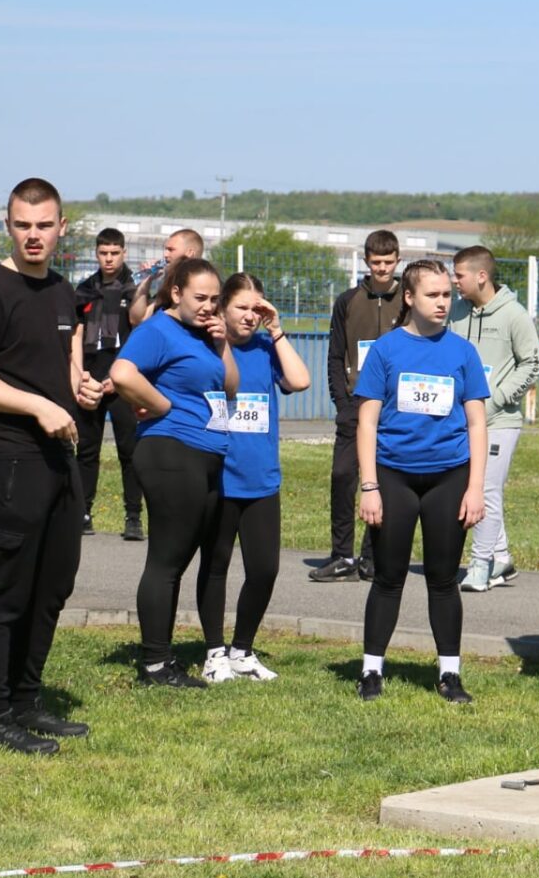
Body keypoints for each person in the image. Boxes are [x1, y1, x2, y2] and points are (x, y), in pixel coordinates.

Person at [0, 178, 102, 754]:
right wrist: (37, 405)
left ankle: (26, 699)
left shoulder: (61, 291)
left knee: (53, 584)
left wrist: (78, 388)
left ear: (62, 228)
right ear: (7, 226)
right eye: (22, 225)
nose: (34, 235)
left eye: (44, 225)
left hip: (58, 457)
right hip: (5, 457)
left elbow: (48, 366)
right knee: (5, 589)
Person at [354, 260, 490, 703]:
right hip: (393, 475)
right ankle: (371, 670)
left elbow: (477, 424)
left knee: (443, 578)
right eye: (433, 295)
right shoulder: (385, 350)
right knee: (389, 576)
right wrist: (370, 486)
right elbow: (367, 422)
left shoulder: (463, 353)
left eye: (447, 294)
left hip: (449, 477)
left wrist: (475, 487)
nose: (442, 302)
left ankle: (450, 674)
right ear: (409, 298)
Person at [111, 257, 235, 687]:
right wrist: (161, 404)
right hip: (170, 451)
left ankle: (162, 657)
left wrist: (222, 343)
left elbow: (229, 387)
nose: (208, 306)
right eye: (200, 298)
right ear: (176, 292)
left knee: (177, 560)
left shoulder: (202, 334)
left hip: (204, 453)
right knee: (166, 560)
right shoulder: (157, 330)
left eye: (215, 299)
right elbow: (122, 373)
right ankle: (154, 664)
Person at [199, 272, 311, 684]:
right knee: (216, 566)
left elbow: (300, 381)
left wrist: (276, 329)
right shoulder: (207, 347)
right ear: (222, 308)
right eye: (241, 307)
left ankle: (242, 651)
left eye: (256, 308)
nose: (249, 316)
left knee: (264, 570)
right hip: (218, 477)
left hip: (261, 478)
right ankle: (214, 653)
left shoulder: (266, 348)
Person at [449, 245, 539, 593]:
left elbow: (532, 364)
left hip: (500, 422)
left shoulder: (514, 315)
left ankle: (480, 565)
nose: (454, 281)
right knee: (473, 486)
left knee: (485, 490)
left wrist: (496, 400)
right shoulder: (456, 311)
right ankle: (501, 556)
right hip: (461, 420)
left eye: (459, 275)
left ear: (481, 276)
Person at [313, 230, 402, 582]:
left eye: (388, 262)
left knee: (382, 480)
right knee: (342, 476)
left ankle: (371, 557)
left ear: (397, 261)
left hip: (393, 407)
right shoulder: (348, 301)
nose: (382, 268)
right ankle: (342, 555)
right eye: (376, 262)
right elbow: (336, 355)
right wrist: (342, 402)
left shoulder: (407, 301)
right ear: (366, 261)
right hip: (355, 403)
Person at [72, 227, 145, 542]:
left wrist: (119, 378)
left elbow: (141, 337)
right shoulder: (85, 289)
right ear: (96, 254)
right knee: (86, 450)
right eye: (103, 253)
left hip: (122, 381)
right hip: (90, 379)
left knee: (129, 450)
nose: (109, 259)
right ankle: (82, 512)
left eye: (115, 253)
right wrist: (80, 375)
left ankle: (133, 517)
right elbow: (75, 334)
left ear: (124, 253)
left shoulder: (134, 290)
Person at [126, 227, 205, 327]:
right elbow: (137, 320)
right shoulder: (168, 286)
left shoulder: (206, 286)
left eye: (171, 250)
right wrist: (146, 282)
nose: (165, 255)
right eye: (166, 249)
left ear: (190, 253)